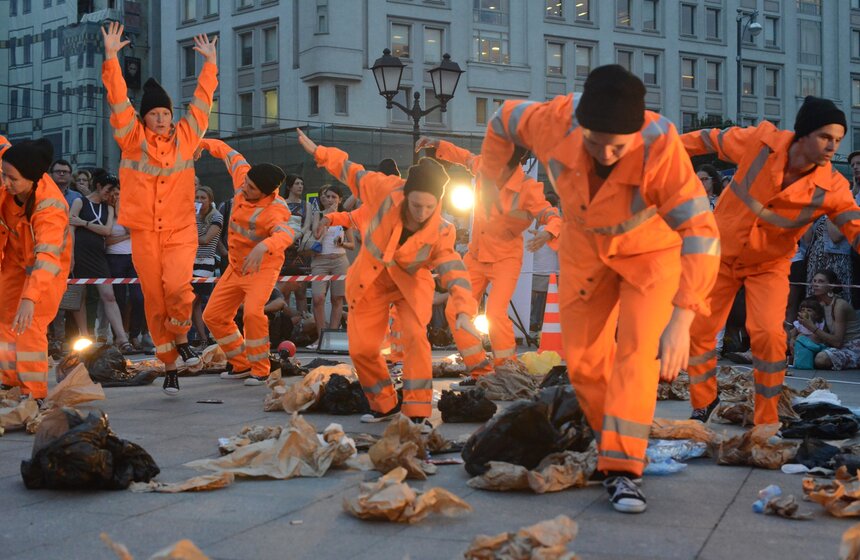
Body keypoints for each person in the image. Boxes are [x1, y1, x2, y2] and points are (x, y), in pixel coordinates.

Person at [480, 65, 720, 513]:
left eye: (617, 145)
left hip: (650, 254)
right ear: (578, 124)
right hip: (585, 247)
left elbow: (702, 233)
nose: (605, 153)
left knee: (636, 355)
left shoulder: (660, 144)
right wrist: (491, 182)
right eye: (594, 141)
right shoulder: (550, 120)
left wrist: (683, 318)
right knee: (585, 360)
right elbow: (500, 120)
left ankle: (623, 469)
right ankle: (610, 438)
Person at [682, 96, 860, 425]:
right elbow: (707, 138)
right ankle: (704, 400)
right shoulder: (760, 142)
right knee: (699, 331)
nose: (832, 146)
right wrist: (660, 149)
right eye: (825, 137)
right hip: (721, 254)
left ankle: (767, 419)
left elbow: (854, 226)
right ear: (803, 134)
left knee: (768, 336)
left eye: (837, 140)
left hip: (769, 265)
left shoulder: (831, 186)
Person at [299, 128, 479, 430]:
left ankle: (418, 411)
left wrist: (463, 310)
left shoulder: (442, 230)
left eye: (429, 207)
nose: (422, 213)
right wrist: (320, 152)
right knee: (362, 349)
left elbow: (454, 270)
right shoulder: (384, 189)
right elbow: (351, 172)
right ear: (405, 194)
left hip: (411, 287)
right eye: (416, 205)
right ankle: (385, 404)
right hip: (371, 282)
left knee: (415, 339)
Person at [101, 22, 218, 395]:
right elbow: (118, 101)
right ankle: (170, 367)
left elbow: (202, 101)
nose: (162, 118)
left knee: (177, 289)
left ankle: (182, 338)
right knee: (154, 298)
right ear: (145, 117)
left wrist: (210, 63)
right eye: (155, 114)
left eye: (166, 112)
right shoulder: (132, 140)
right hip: (146, 231)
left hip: (181, 229)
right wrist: (111, 57)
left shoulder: (186, 136)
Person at [415, 136, 562, 383]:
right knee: (455, 308)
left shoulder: (528, 188)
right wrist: (437, 144)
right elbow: (463, 156)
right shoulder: (483, 165)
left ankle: (507, 370)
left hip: (506, 258)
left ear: (516, 162)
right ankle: (479, 368)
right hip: (476, 256)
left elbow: (550, 213)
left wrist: (549, 231)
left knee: (495, 313)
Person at [197, 138, 295, 385]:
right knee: (213, 316)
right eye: (246, 184)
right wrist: (201, 143)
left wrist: (264, 245)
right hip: (236, 267)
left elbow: (287, 234)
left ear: (266, 193)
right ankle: (241, 363)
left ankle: (261, 369)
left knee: (253, 314)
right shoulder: (244, 178)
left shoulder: (276, 209)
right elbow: (229, 153)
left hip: (263, 268)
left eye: (251, 189)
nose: (244, 189)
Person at [0, 139, 72, 401]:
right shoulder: (12, 173)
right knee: (4, 320)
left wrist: (29, 299)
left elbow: (47, 258)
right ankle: (9, 384)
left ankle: (34, 394)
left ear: (31, 180)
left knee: (29, 326)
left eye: (11, 178)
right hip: (13, 260)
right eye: (2, 174)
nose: (5, 183)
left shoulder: (50, 208)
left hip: (46, 271)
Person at [68, 172, 135, 353]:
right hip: (80, 253)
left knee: (109, 295)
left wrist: (84, 222)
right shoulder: (80, 202)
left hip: (98, 255)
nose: (110, 193)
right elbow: (70, 227)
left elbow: (106, 230)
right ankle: (85, 337)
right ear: (98, 186)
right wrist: (71, 255)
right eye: (108, 189)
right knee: (79, 297)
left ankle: (122, 338)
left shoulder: (108, 207)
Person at [104, 182, 149, 351]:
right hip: (114, 258)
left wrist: (121, 215)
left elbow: (133, 233)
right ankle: (120, 337)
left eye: (119, 194)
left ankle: (135, 335)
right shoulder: (107, 213)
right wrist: (123, 237)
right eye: (114, 194)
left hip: (134, 258)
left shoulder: (131, 212)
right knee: (119, 299)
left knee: (139, 298)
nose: (117, 197)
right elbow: (107, 239)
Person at [308, 184, 354, 348]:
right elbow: (317, 234)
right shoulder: (319, 214)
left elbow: (352, 244)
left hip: (339, 260)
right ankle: (321, 338)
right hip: (320, 260)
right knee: (318, 298)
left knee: (337, 298)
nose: (330, 200)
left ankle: (332, 338)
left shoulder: (345, 217)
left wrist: (343, 243)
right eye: (327, 196)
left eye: (334, 197)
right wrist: (327, 216)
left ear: (340, 199)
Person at [801, 270, 860, 370]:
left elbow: (838, 342)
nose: (815, 284)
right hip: (833, 346)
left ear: (831, 286)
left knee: (821, 359)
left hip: (852, 347)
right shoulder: (821, 304)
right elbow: (823, 335)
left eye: (820, 281)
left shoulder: (839, 305)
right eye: (814, 281)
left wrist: (812, 327)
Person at [192, 185, 223, 346]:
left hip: (205, 262)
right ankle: (203, 338)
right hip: (189, 261)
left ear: (210, 200)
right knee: (194, 303)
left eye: (203, 198)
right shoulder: (192, 215)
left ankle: (208, 336)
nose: (199, 201)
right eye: (197, 198)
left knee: (193, 300)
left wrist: (186, 233)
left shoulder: (216, 216)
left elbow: (205, 239)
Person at [279, 174, 310, 315]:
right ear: (290, 186)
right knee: (283, 291)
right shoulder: (281, 203)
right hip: (283, 249)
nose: (300, 186)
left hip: (300, 249)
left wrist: (297, 235)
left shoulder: (306, 205)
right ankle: (286, 324)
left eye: (302, 184)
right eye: (297, 183)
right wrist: (286, 238)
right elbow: (278, 223)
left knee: (301, 292)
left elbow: (307, 225)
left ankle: (304, 324)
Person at [788, 296, 825, 368]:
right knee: (797, 340)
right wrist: (793, 339)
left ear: (817, 314)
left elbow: (820, 338)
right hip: (801, 347)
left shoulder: (819, 324)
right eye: (803, 310)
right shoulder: (799, 324)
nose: (805, 312)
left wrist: (809, 324)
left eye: (809, 310)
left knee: (803, 337)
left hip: (815, 346)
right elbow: (792, 333)